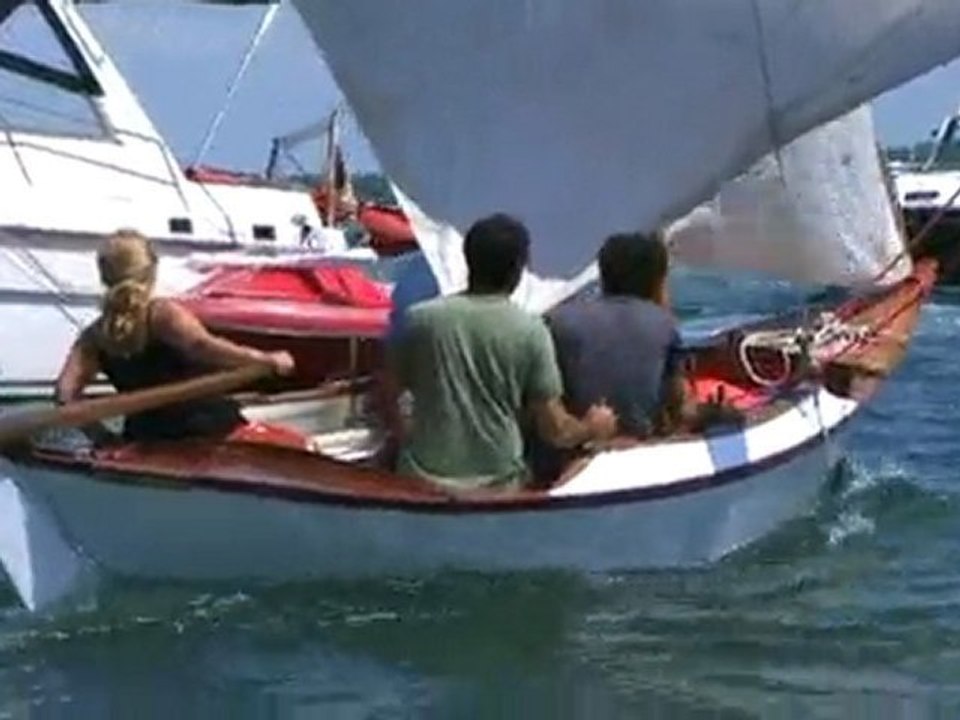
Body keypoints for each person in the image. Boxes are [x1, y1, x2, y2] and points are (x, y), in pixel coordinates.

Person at [389, 213, 617, 489]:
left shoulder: (420, 319)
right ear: (519, 269)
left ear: (468, 259)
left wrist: (406, 437)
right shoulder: (530, 330)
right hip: (497, 483)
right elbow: (555, 430)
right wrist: (593, 426)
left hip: (420, 480)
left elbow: (388, 392)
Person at [55, 230, 297, 444]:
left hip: (145, 442)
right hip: (211, 433)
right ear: (152, 271)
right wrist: (265, 359)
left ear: (104, 277)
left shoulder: (94, 337)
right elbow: (202, 346)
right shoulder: (162, 314)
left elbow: (65, 395)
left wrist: (104, 439)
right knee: (303, 445)